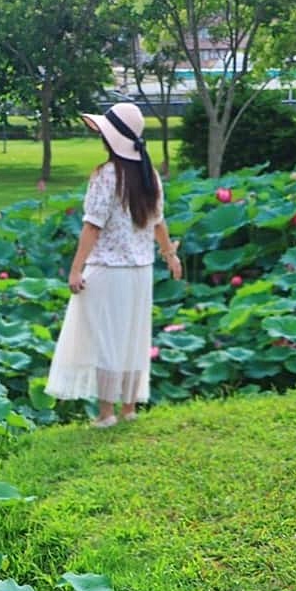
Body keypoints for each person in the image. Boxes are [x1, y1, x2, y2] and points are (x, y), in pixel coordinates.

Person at [45, 102, 183, 428]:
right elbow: (158, 223)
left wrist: (76, 269)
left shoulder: (107, 175)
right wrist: (170, 256)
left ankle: (106, 414)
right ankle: (129, 408)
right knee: (133, 337)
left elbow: (92, 225)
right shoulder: (149, 174)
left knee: (106, 339)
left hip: (108, 269)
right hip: (141, 271)